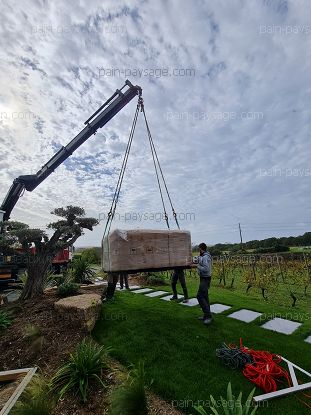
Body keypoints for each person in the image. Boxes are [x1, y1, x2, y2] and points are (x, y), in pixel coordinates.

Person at [196, 242, 212, 325]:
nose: (198, 250)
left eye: (199, 248)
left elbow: (206, 269)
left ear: (201, 249)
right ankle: (206, 315)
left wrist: (196, 266)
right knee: (205, 297)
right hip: (204, 278)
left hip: (205, 279)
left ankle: (208, 316)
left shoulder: (205, 257)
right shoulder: (203, 256)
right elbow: (200, 261)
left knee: (199, 296)